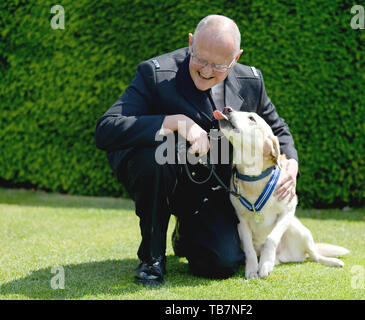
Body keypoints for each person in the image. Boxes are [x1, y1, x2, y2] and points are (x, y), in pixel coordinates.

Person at [95, 15, 299, 286]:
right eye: (200, 58)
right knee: (155, 156)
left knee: (222, 262)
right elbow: (107, 128)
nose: (206, 70)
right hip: (159, 176)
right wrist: (175, 122)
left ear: (236, 58)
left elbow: (278, 130)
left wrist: (291, 165)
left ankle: (184, 232)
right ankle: (152, 258)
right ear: (191, 42)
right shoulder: (155, 74)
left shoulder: (252, 81)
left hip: (212, 189)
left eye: (218, 65)